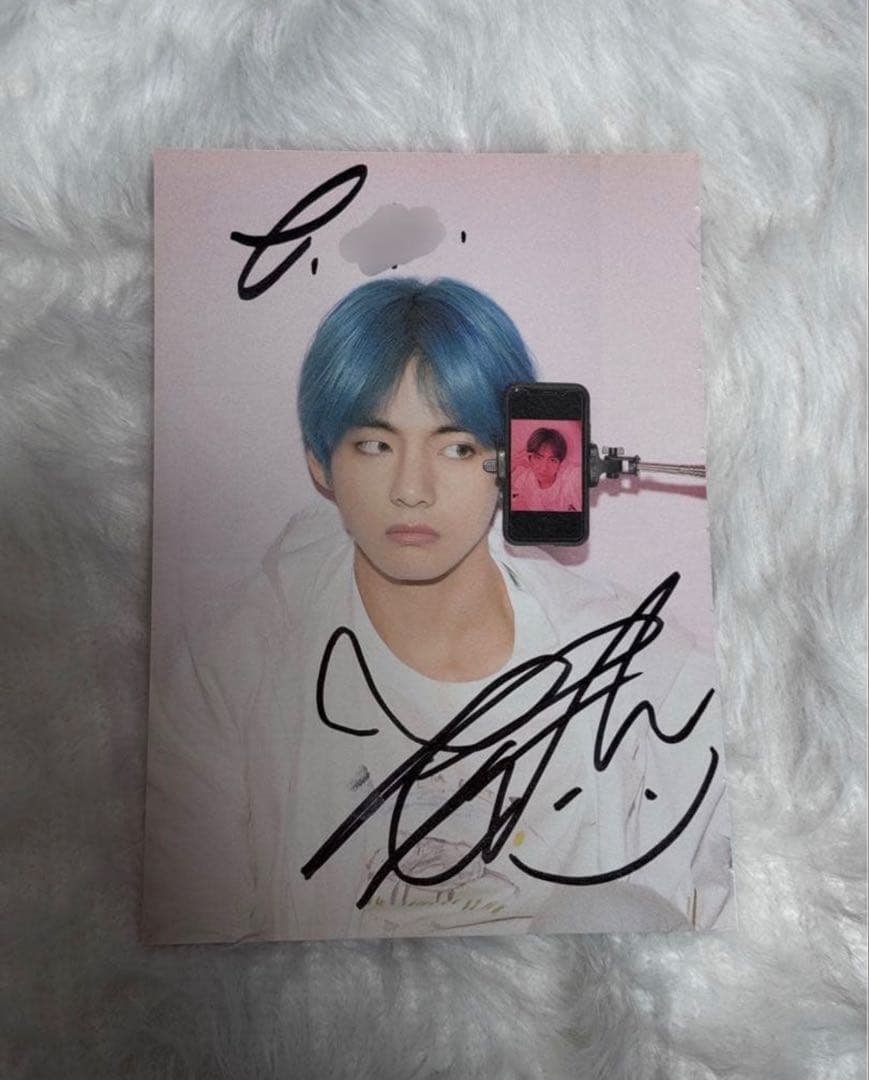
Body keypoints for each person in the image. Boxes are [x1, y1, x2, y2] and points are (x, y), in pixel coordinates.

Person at [143, 278, 733, 944]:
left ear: (512, 460)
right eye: (375, 445)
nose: (412, 490)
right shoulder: (230, 673)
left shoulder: (643, 671)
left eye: (457, 448)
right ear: (319, 462)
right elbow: (190, 947)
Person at [510, 426, 583, 512]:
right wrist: (514, 463)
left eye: (552, 460)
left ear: (560, 463)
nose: (544, 467)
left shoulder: (570, 478)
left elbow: (578, 476)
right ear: (529, 457)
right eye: (538, 458)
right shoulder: (524, 479)